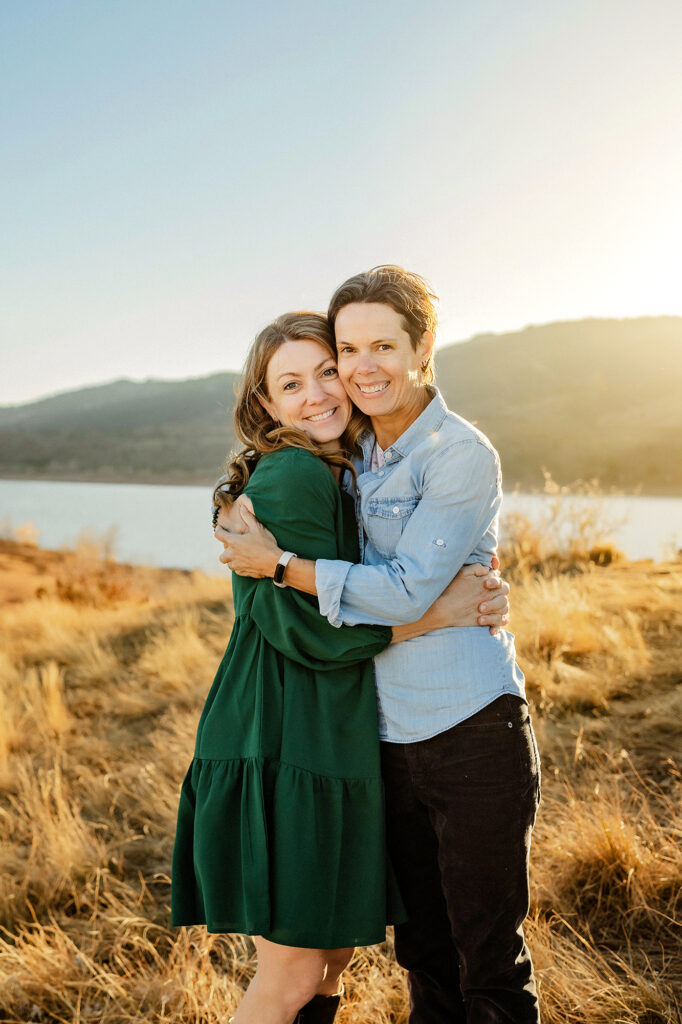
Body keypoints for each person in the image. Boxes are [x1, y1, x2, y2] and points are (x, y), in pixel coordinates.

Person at [220, 267, 542, 1024]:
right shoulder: (351, 448)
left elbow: (402, 590)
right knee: (424, 955)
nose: (360, 370)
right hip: (384, 739)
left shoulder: (459, 453)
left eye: (380, 347)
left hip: (470, 730)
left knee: (488, 962)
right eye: (348, 349)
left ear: (422, 346)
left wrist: (283, 567)